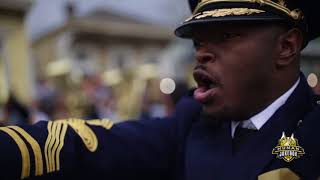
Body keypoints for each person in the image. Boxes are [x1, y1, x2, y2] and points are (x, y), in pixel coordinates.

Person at [1, 0, 320, 179]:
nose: (201, 53)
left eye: (225, 36)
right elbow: (86, 145)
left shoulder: (313, 131)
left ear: (286, 47)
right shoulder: (192, 124)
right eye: (198, 42)